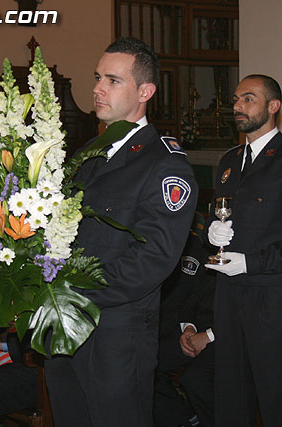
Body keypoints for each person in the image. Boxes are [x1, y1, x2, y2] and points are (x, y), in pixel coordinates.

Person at [44, 37, 198, 426]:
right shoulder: (88, 153)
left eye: (113, 80)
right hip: (66, 328)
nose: (98, 88)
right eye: (98, 77)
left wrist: (74, 291)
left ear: (145, 92)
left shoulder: (164, 163)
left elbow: (152, 259)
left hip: (115, 333)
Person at [204, 74, 282, 426]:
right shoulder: (230, 161)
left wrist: (251, 263)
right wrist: (211, 233)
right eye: (236, 99)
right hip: (228, 294)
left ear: (273, 106)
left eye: (249, 99)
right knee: (230, 394)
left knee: (279, 397)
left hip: (270, 296)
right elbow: (219, 216)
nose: (238, 106)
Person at [154, 216, 216, 427]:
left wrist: (207, 335)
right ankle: (184, 418)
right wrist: (188, 327)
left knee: (194, 379)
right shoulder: (190, 245)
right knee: (147, 361)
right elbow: (193, 298)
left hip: (223, 334)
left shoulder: (205, 246)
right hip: (188, 328)